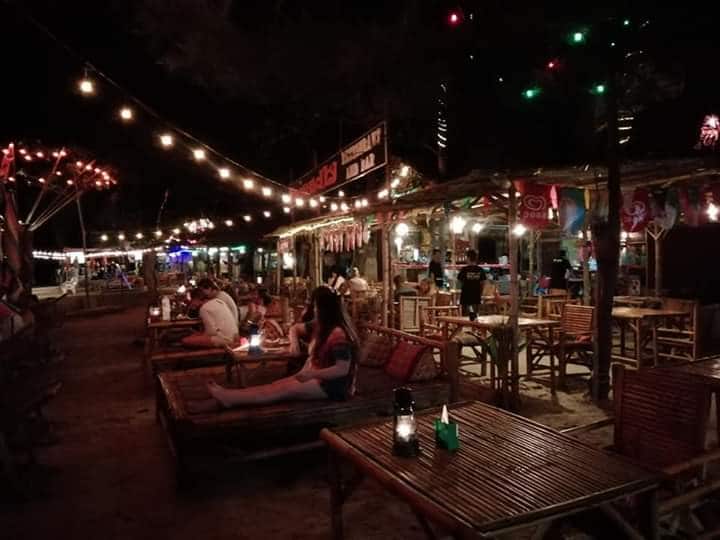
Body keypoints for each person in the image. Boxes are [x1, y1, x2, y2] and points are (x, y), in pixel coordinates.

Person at [207, 286, 359, 407]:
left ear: (326, 311)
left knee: (281, 391)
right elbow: (296, 328)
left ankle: (230, 398)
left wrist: (312, 374)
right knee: (276, 385)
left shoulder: (338, 334)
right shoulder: (322, 325)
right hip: (320, 379)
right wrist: (297, 349)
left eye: (317, 308)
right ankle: (230, 395)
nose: (314, 310)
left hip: (334, 387)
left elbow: (342, 369)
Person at [457, 249, 487, 316]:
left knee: (465, 318)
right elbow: (483, 283)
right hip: (476, 297)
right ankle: (473, 325)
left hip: (466, 297)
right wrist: (480, 293)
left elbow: (460, 281)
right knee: (474, 316)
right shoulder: (480, 270)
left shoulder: (464, 270)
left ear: (468, 258)